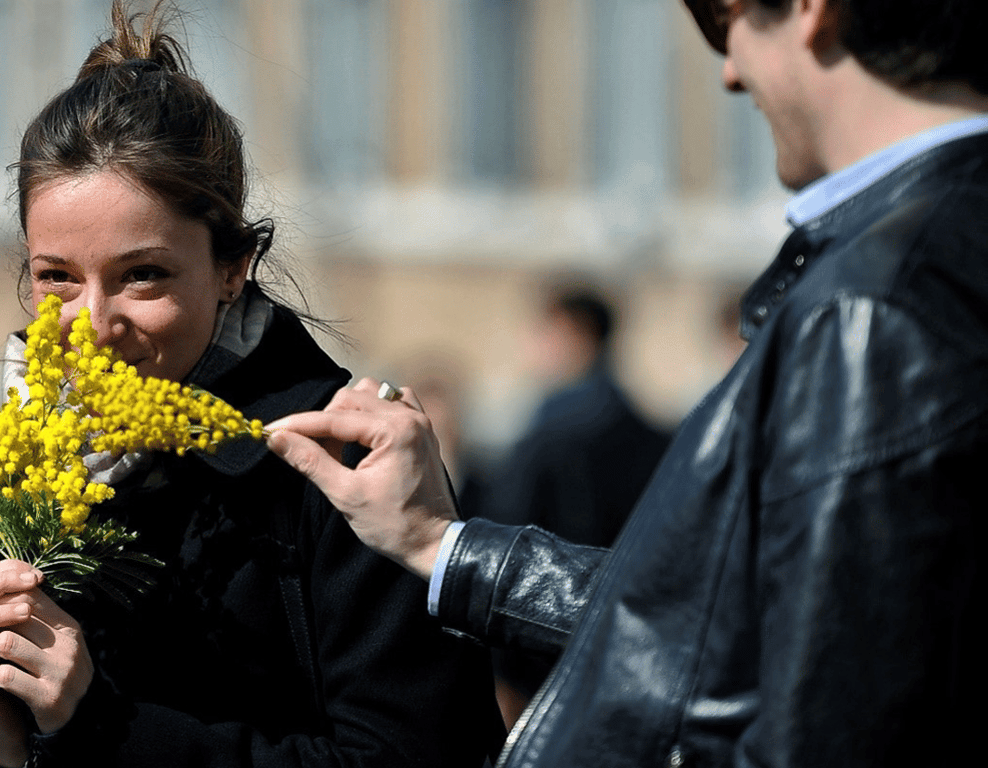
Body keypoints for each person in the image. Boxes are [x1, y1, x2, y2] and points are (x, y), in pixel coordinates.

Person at [266, 0, 987, 765]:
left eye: (723, 20)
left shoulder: (874, 305)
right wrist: (438, 541)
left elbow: (816, 720)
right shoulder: (915, 262)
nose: (731, 73)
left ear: (810, 10)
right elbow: (714, 624)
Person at [0, 3, 503, 767]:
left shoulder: (343, 461)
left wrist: (97, 724)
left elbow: (417, 755)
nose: (93, 324)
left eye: (143, 275)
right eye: (57, 279)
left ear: (231, 268)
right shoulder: (29, 466)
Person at [478, 287, 670, 725]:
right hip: (632, 647)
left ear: (571, 333)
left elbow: (506, 547)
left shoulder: (550, 433)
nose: (532, 348)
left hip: (547, 651)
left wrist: (502, 673)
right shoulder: (652, 435)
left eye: (541, 334)